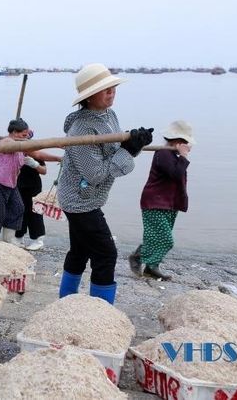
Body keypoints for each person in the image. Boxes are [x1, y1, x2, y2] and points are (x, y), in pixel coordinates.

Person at [57, 63, 153, 305]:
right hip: (79, 200)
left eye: (113, 87)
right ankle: (100, 311)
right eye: (105, 89)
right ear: (89, 97)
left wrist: (134, 144)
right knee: (106, 254)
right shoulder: (81, 129)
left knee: (79, 251)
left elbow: (113, 152)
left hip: (89, 198)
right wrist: (129, 151)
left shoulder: (109, 115)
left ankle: (65, 301)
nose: (112, 92)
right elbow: (96, 173)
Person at [129, 120, 194, 281]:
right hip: (155, 203)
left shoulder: (173, 155)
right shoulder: (163, 153)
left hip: (169, 204)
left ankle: (152, 267)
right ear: (179, 141)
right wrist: (184, 157)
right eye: (186, 142)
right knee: (165, 239)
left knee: (157, 238)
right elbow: (175, 174)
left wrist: (181, 156)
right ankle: (137, 257)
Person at [0, 118, 42, 245]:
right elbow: (8, 143)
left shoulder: (21, 147)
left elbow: (38, 155)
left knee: (18, 208)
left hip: (11, 184)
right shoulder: (6, 141)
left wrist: (58, 158)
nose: (26, 137)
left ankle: (8, 239)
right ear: (15, 132)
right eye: (23, 135)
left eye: (27, 135)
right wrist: (20, 143)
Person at [14, 125, 63, 251]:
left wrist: (34, 164)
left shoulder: (35, 153)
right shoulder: (14, 150)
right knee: (19, 210)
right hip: (18, 185)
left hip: (33, 185)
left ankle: (38, 239)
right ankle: (18, 237)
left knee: (35, 211)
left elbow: (44, 171)